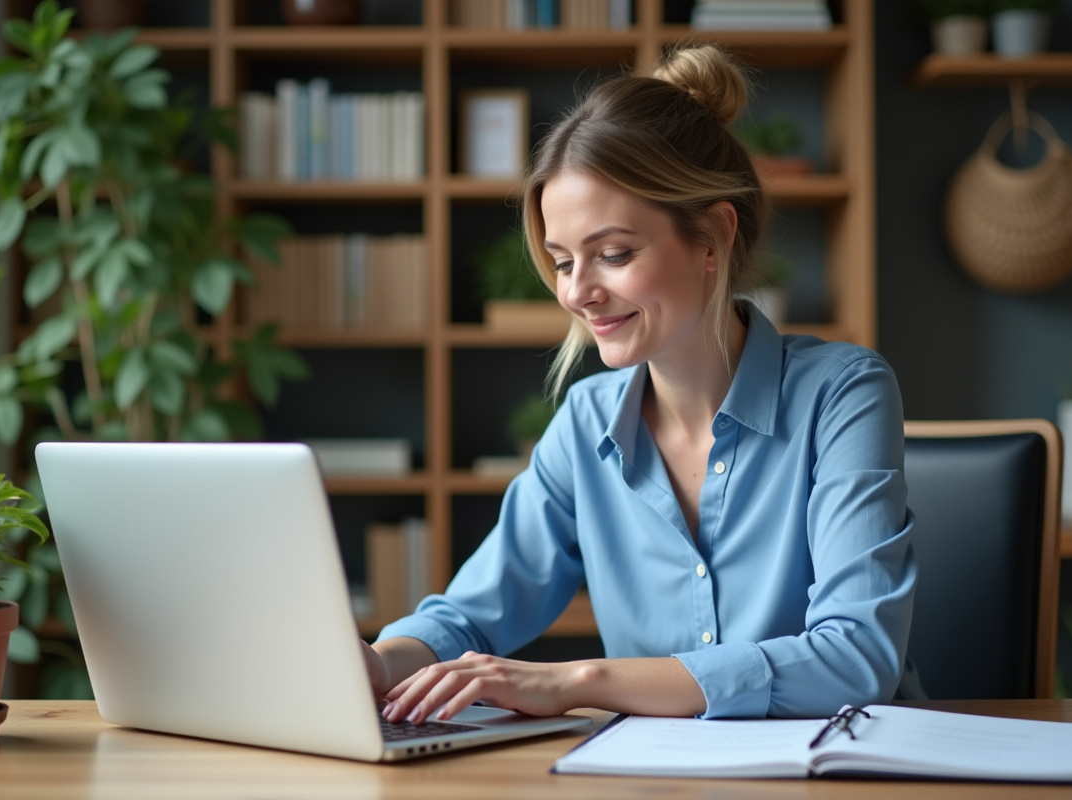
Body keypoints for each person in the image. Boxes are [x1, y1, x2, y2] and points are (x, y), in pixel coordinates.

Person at [362, 43, 918, 725]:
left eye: (613, 254)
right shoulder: (585, 421)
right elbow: (470, 615)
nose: (578, 293)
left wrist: (580, 680)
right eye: (563, 262)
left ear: (712, 237)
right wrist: (381, 663)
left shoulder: (843, 394)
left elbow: (856, 658)